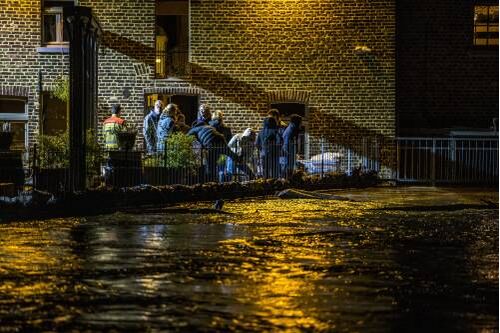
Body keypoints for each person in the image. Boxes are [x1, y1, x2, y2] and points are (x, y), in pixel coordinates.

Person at [281, 114, 302, 178]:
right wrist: (294, 154)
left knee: (287, 168)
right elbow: (288, 144)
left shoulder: (290, 128)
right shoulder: (292, 130)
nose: (301, 124)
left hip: (287, 153)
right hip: (288, 153)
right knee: (288, 169)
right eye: (300, 122)